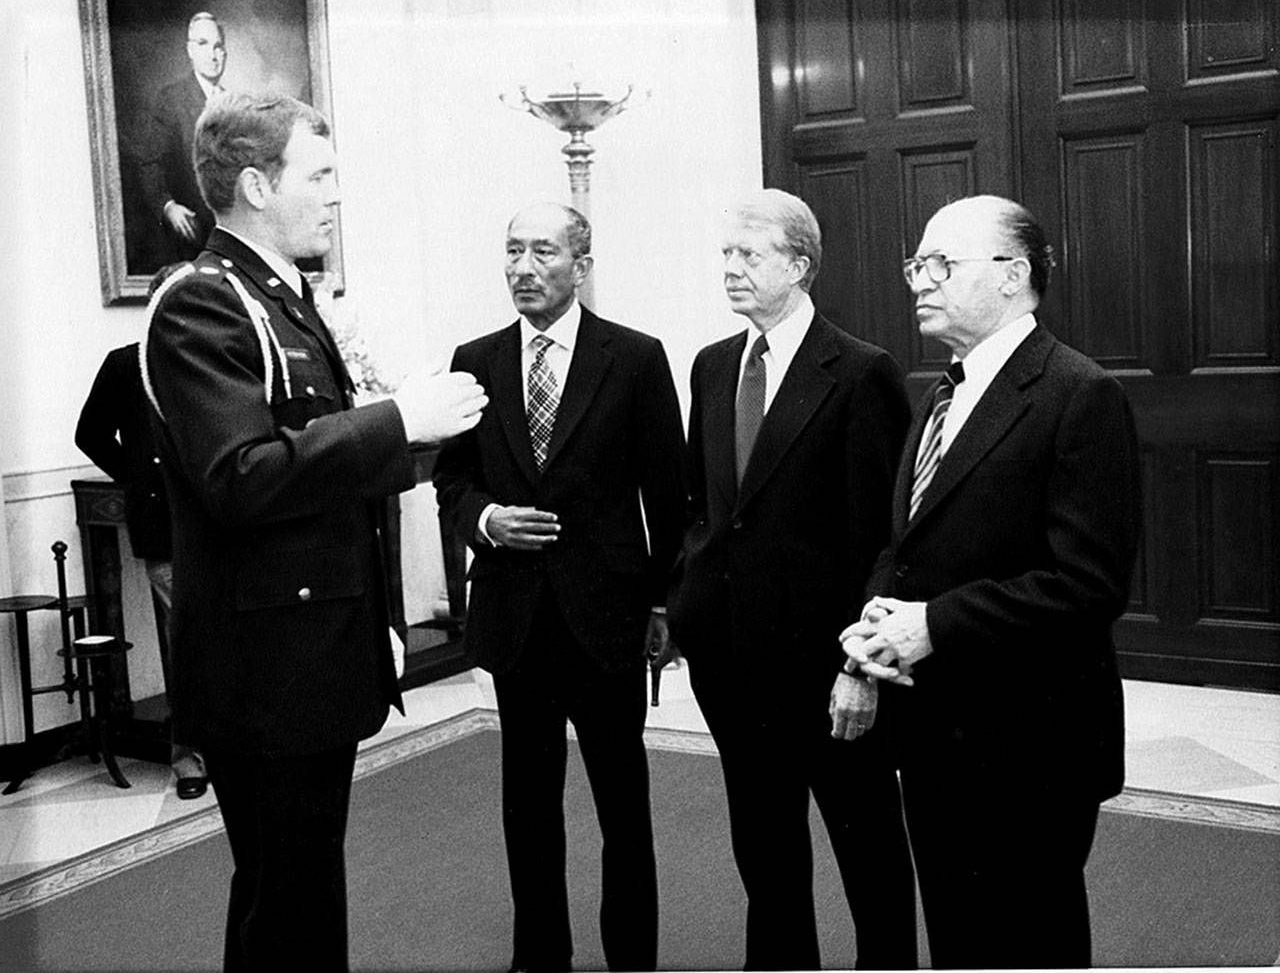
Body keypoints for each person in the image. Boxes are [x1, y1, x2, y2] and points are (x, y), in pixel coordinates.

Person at [142, 91, 487, 971]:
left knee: (294, 894)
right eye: (320, 175)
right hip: (263, 665)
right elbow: (240, 477)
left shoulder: (281, 298)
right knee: (285, 904)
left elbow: (322, 478)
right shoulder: (202, 303)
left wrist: (374, 617)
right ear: (257, 185)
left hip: (307, 647)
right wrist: (398, 419)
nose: (336, 195)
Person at [840, 194, 1141, 969]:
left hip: (1031, 738)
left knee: (1029, 940)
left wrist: (933, 625)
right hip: (937, 726)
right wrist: (875, 624)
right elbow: (906, 541)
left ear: (1012, 276)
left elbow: (1088, 585)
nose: (919, 282)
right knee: (958, 935)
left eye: (942, 264)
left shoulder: (1079, 394)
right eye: (917, 265)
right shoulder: (941, 390)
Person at [666, 189, 916, 970]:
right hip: (730, 657)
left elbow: (880, 539)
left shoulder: (860, 372)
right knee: (764, 846)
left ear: (799, 266)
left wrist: (860, 668)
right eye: (726, 255)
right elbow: (702, 508)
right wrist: (685, 603)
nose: (731, 270)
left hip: (822, 663)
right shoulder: (713, 365)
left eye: (749, 256)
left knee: (866, 844)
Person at [433, 202, 686, 973]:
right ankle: (538, 957)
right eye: (512, 251)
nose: (522, 267)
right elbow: (453, 478)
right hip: (516, 615)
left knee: (622, 808)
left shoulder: (634, 358)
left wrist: (663, 604)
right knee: (529, 807)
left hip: (605, 616)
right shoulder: (473, 359)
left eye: (543, 251)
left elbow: (668, 494)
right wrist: (486, 522)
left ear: (581, 264)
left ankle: (631, 958)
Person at [75, 303, 208, 800]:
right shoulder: (124, 364)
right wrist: (136, 479)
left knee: (234, 642)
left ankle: (242, 750)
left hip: (224, 526)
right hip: (166, 532)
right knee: (186, 645)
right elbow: (89, 433)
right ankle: (187, 758)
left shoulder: (212, 359)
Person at [139, 12, 226, 264]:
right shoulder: (170, 100)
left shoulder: (235, 106)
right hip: (190, 233)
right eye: (203, 44)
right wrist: (168, 207)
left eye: (218, 46)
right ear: (190, 50)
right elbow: (150, 164)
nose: (212, 54)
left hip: (229, 236)